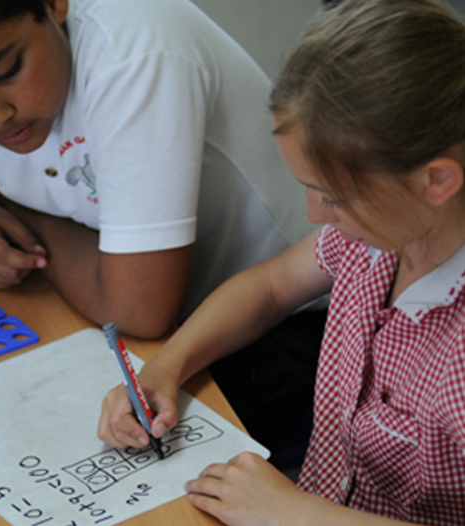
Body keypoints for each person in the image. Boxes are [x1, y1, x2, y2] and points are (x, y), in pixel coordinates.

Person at [98, 0, 465, 524]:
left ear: (436, 181)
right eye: (309, 190)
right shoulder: (378, 237)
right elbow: (270, 288)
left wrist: (290, 512)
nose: (316, 214)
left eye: (333, 197)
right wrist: (165, 367)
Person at [0, 0, 313, 340]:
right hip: (182, 316)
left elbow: (136, 312)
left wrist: (16, 211)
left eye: (8, 70)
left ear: (54, 5)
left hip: (296, 321)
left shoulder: (134, 55)